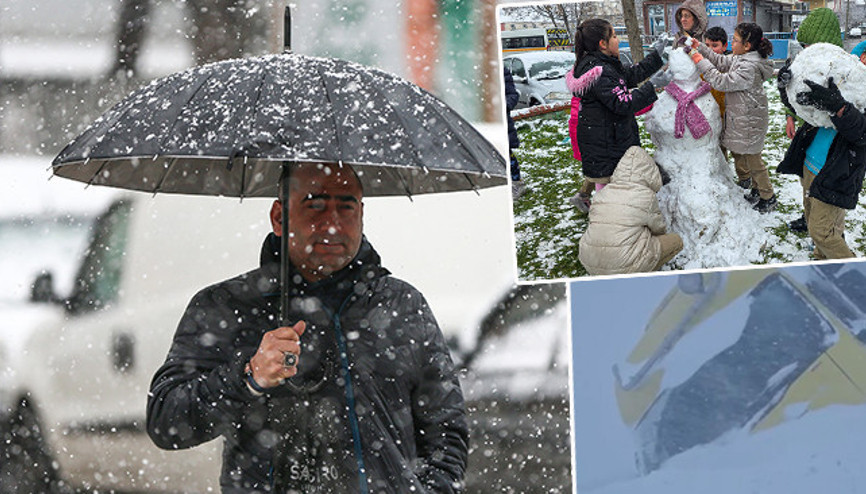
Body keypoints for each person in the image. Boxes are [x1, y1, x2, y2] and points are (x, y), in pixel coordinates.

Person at [146, 163, 469, 493]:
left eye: (346, 207)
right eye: (315, 206)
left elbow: (446, 431)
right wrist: (250, 377)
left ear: (362, 215)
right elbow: (166, 422)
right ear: (279, 217)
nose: (332, 224)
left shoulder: (401, 304)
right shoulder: (227, 305)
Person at [776, 46, 866, 259]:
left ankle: (853, 273)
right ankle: (823, 259)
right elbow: (805, 107)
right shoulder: (839, 79)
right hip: (810, 164)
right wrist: (786, 88)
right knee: (813, 218)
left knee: (823, 232)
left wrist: (839, 108)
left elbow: (862, 133)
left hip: (837, 174)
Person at [571, 18, 669, 208]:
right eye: (615, 36)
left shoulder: (605, 64)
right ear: (603, 44)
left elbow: (631, 74)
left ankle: (610, 217)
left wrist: (655, 55)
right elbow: (623, 103)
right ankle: (608, 220)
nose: (618, 39)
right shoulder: (599, 71)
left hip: (609, 139)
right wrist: (652, 86)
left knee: (612, 190)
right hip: (606, 144)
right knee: (611, 194)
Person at [684, 23, 777, 213]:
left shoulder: (749, 67)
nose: (732, 43)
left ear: (747, 45)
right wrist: (700, 47)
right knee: (750, 158)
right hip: (745, 117)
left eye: (735, 40)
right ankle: (757, 189)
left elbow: (721, 81)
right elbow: (721, 61)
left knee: (754, 161)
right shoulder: (741, 58)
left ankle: (768, 196)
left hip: (750, 121)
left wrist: (699, 60)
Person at [778, 7, 844, 232]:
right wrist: (785, 91)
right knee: (808, 188)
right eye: (804, 46)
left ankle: (832, 235)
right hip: (810, 146)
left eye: (810, 46)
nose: (806, 52)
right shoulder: (808, 65)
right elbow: (799, 102)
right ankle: (809, 219)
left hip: (834, 155)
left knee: (828, 210)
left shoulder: (844, 71)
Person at [579, 146, 683, 275]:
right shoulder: (645, 196)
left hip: (589, 260)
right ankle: (643, 272)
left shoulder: (603, 192)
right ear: (650, 174)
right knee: (676, 241)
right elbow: (658, 228)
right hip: (625, 264)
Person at [505, 67, 528, 200]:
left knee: (506, 154)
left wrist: (504, 106)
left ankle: (517, 183)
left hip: (501, 121)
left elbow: (513, 95)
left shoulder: (501, 71)